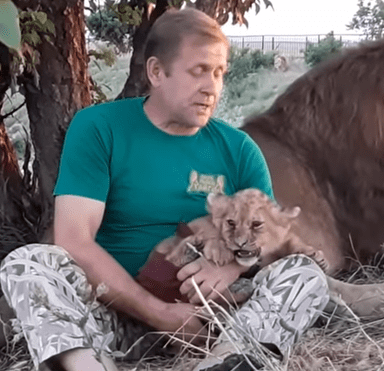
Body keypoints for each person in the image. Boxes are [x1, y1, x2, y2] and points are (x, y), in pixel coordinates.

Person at [0, 8, 329, 371]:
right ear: (156, 72)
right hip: (114, 317)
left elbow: (269, 234)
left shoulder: (238, 149)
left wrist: (233, 267)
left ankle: (229, 362)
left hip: (217, 323)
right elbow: (74, 239)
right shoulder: (99, 128)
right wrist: (159, 313)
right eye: (199, 71)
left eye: (219, 73)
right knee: (26, 263)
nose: (212, 87)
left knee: (303, 273)